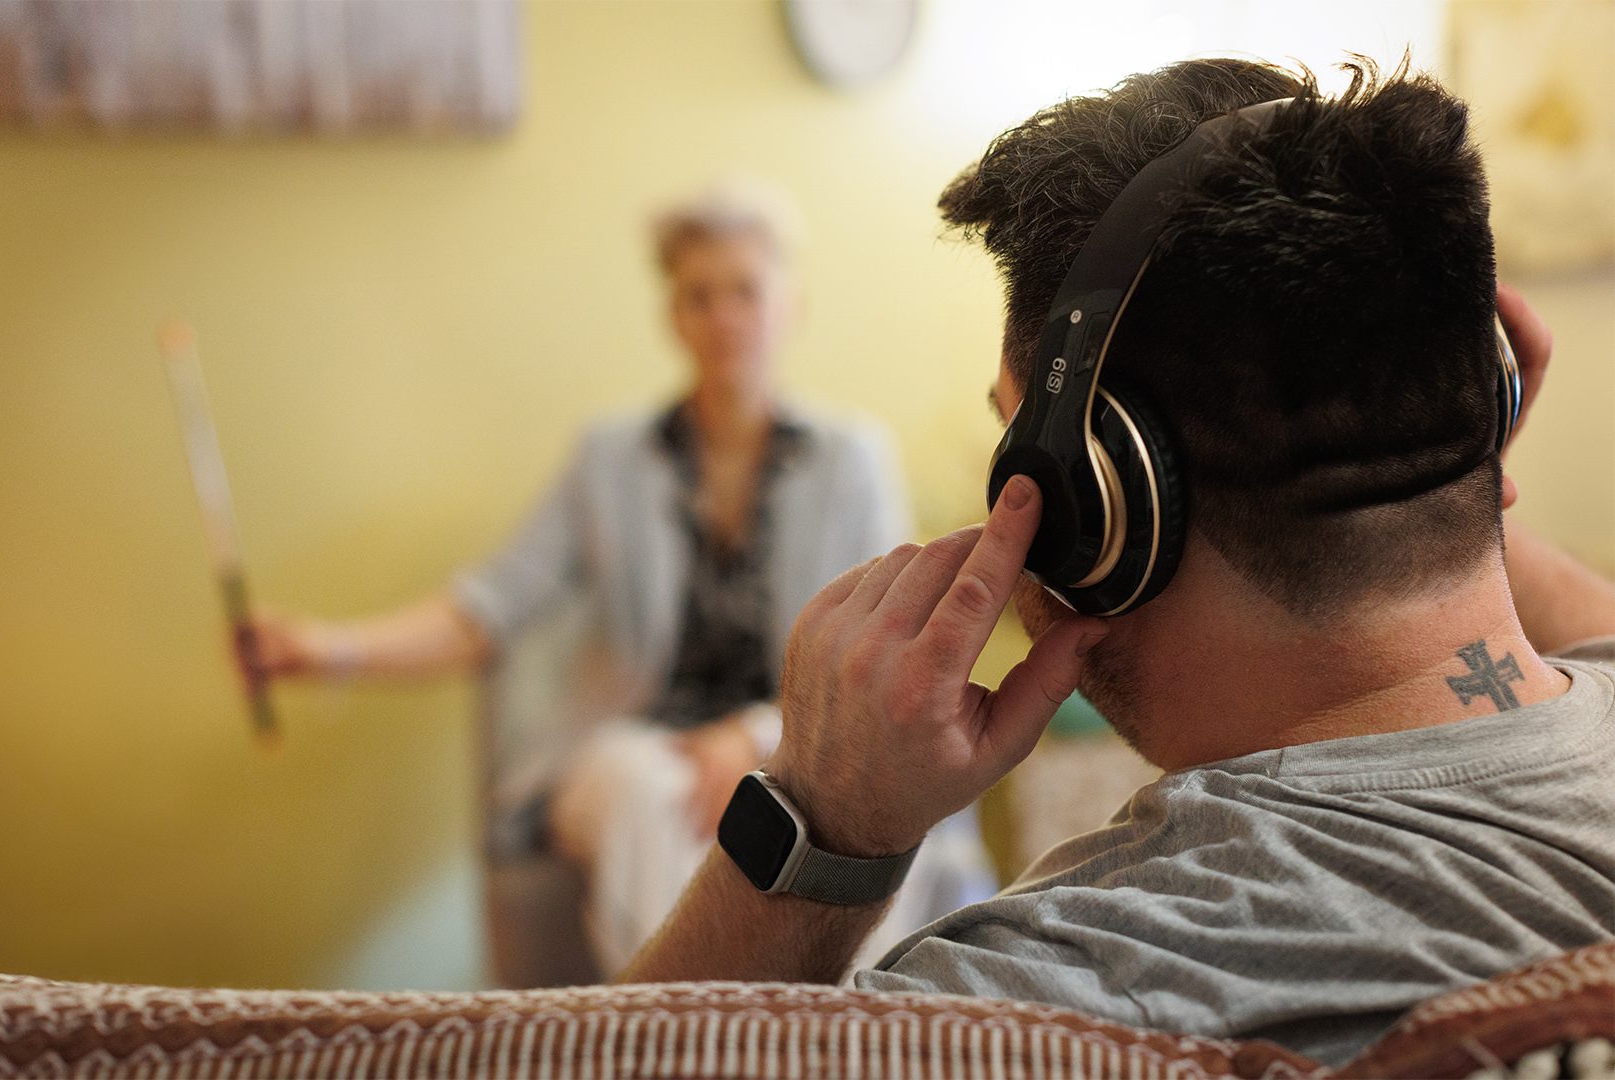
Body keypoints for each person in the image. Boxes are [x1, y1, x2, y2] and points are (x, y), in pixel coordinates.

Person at [621, 60, 1615, 1067]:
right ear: (1484, 400)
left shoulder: (1062, 995)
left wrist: (816, 820)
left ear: (1099, 509)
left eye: (1020, 448)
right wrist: (1439, 448)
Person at [249, 180, 995, 982]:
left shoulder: (853, 459)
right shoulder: (606, 460)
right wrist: (325, 650)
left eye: (745, 289)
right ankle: (680, 1041)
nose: (723, 316)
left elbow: (882, 650)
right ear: (672, 315)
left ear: (791, 303)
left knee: (859, 808)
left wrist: (749, 740)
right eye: (698, 295)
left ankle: (813, 1048)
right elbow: (487, 609)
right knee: (650, 795)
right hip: (636, 746)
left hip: (794, 739)